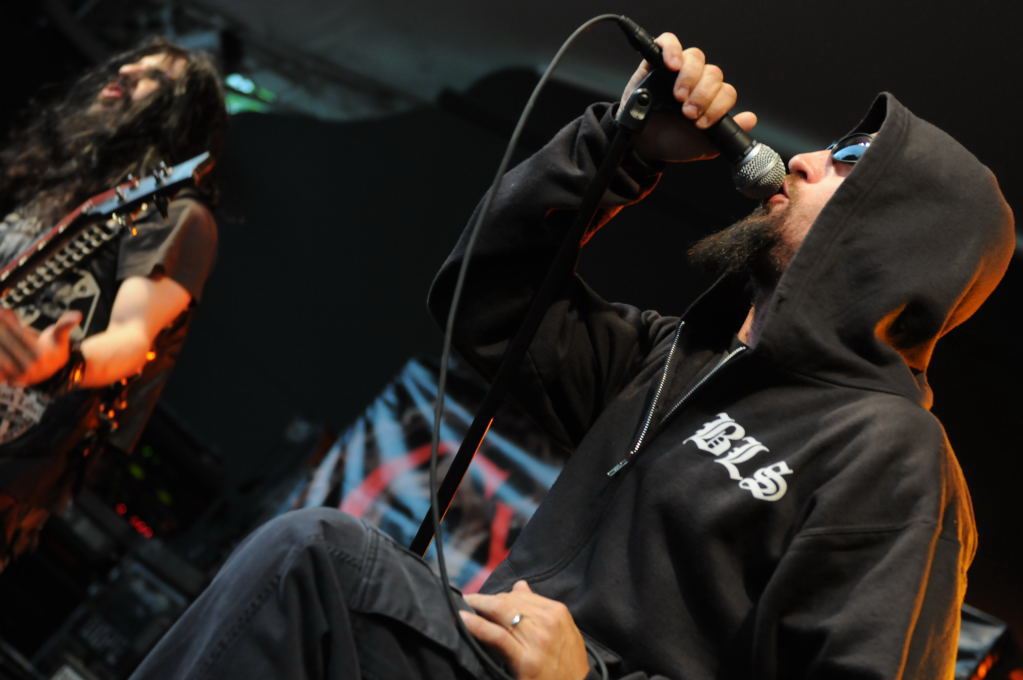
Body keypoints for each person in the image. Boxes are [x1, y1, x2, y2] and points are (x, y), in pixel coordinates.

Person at [128, 33, 1014, 680]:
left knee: (317, 559)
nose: (810, 159)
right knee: (314, 579)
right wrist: (619, 148)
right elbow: (488, 299)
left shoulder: (893, 457)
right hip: (484, 651)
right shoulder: (681, 358)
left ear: (892, 242)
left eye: (851, 165)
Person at [0, 38, 226, 568]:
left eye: (153, 77)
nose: (125, 71)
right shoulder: (56, 189)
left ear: (178, 115)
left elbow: (132, 337)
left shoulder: (178, 214)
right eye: (129, 63)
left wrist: (63, 362)